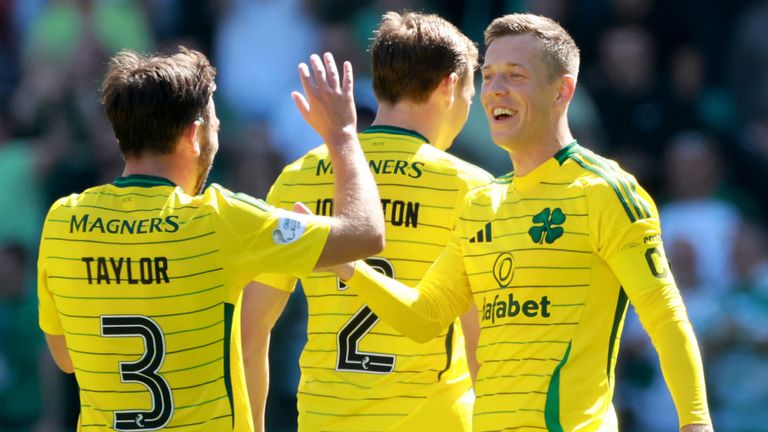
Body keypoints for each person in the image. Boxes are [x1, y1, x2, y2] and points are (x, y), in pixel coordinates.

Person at [333, 14, 714, 432]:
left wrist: (695, 422)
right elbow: (425, 316)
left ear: (562, 91)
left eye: (516, 75)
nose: (496, 89)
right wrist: (347, 265)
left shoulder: (604, 191)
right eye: (490, 75)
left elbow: (665, 316)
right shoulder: (480, 203)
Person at [36, 47, 385, 431]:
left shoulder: (63, 220)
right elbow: (365, 233)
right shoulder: (221, 219)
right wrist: (344, 135)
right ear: (194, 133)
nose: (217, 135)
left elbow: (66, 358)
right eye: (215, 125)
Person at [241, 11, 493, 432]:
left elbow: (251, 332)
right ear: (450, 86)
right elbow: (482, 345)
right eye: (470, 92)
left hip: (325, 419)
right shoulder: (471, 188)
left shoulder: (300, 177)